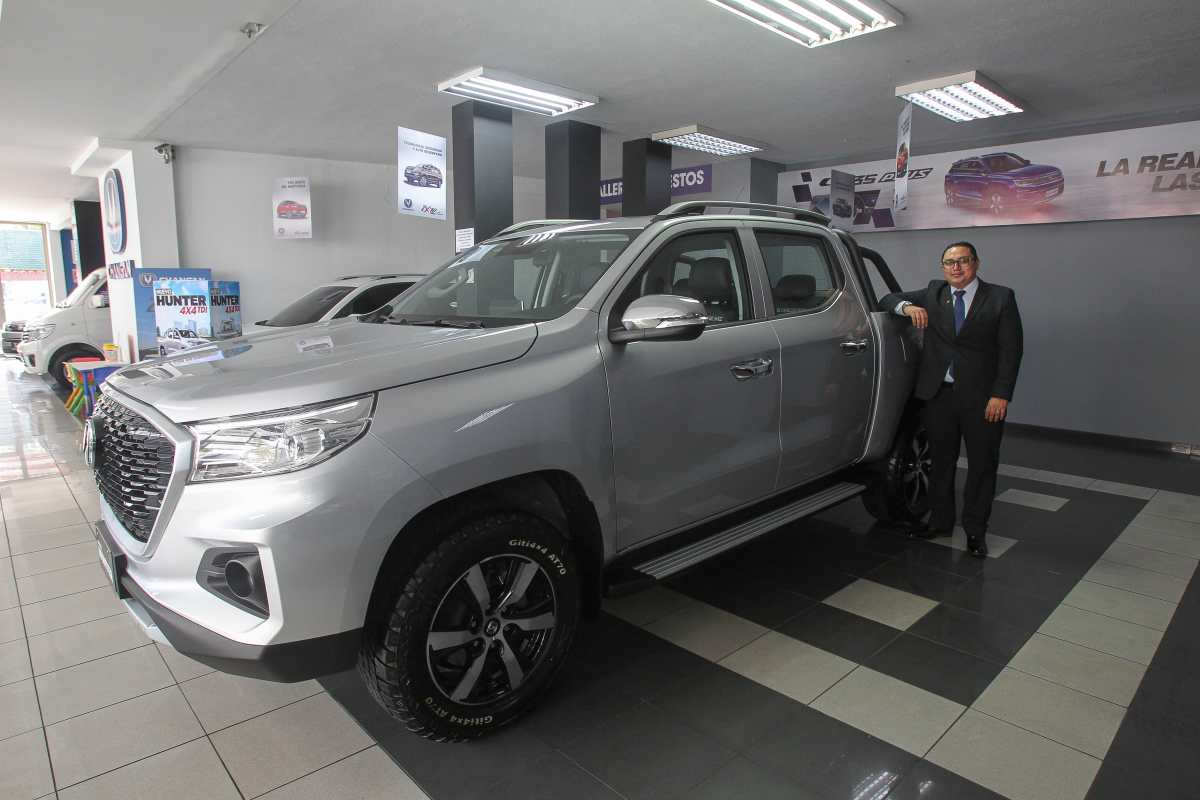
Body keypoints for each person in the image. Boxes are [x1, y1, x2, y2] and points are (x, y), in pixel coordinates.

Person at [880, 242, 1023, 557]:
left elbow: (1011, 352)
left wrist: (1001, 395)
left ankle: (975, 531)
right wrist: (908, 308)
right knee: (941, 462)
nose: (956, 267)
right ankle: (940, 522)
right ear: (943, 267)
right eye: (949, 262)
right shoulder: (934, 292)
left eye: (963, 261)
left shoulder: (1000, 297)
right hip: (938, 396)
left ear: (976, 263)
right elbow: (887, 298)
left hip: (982, 400)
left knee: (982, 465)